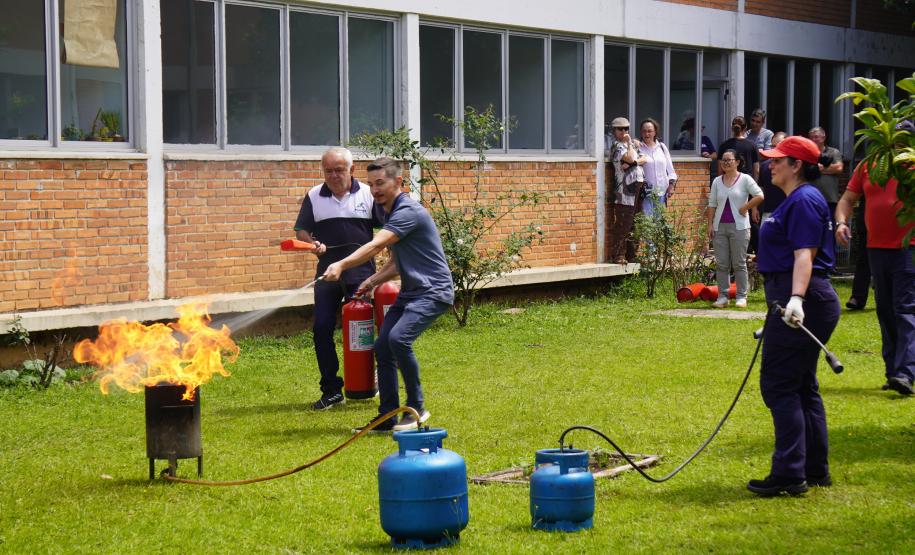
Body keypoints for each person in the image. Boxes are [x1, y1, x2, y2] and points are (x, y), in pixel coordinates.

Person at [323, 157, 454, 432]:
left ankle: (416, 408)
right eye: (371, 184)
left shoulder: (407, 211)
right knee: (383, 346)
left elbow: (375, 246)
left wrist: (341, 264)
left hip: (433, 291)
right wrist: (372, 280)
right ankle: (387, 417)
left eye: (380, 183)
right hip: (411, 292)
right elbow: (396, 262)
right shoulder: (389, 212)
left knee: (398, 339)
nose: (375, 190)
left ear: (399, 182)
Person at [751, 136, 840, 496]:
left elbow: (805, 255)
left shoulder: (803, 200)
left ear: (797, 165)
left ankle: (790, 474)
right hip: (794, 297)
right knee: (802, 385)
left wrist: (796, 299)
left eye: (778, 160)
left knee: (779, 384)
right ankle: (814, 469)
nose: (770, 165)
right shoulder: (797, 199)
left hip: (805, 297)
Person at [294, 147, 382, 411]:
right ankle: (331, 390)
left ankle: (367, 381)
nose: (333, 175)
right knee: (321, 329)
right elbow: (301, 230)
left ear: (351, 170)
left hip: (361, 275)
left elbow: (387, 228)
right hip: (327, 274)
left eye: (339, 170)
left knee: (361, 331)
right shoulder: (314, 196)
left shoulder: (368, 193)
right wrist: (312, 244)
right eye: (328, 171)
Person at [835, 162, 915, 396]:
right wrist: (841, 223)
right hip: (876, 248)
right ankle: (894, 372)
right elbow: (847, 199)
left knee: (906, 310)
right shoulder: (869, 166)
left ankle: (906, 372)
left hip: (909, 248)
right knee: (885, 310)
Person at [706, 149, 764, 308]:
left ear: (737, 162)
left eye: (729, 160)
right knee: (722, 264)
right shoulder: (717, 181)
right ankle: (723, 297)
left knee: (739, 263)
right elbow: (712, 204)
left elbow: (759, 195)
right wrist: (710, 224)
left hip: (740, 227)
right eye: (723, 160)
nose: (725, 163)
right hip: (719, 227)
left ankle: (741, 296)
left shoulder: (745, 179)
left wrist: (745, 207)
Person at [608, 116, 647, 264]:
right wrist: (630, 144)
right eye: (620, 129)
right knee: (623, 223)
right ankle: (618, 255)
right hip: (624, 191)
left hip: (637, 187)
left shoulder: (632, 146)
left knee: (635, 222)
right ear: (614, 131)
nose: (624, 131)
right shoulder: (617, 146)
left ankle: (632, 254)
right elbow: (629, 158)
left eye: (626, 128)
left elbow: (644, 158)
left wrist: (633, 163)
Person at [638, 118, 677, 216]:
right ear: (641, 132)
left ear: (655, 132)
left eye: (650, 131)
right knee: (647, 221)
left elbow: (671, 171)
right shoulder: (638, 148)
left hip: (662, 193)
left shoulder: (662, 147)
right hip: (645, 193)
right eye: (644, 131)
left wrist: (671, 186)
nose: (647, 134)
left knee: (659, 222)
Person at [808, 127, 844, 222]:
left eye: (816, 137)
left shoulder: (833, 152)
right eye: (811, 137)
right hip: (811, 199)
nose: (813, 139)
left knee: (829, 226)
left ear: (823, 138)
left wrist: (819, 169)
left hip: (829, 199)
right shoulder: (807, 153)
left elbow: (839, 168)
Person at [718, 116, 760, 181]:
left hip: (729, 181)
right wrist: (754, 184)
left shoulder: (724, 145)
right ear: (745, 128)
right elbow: (756, 170)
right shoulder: (752, 145)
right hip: (747, 182)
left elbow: (720, 170)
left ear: (732, 128)